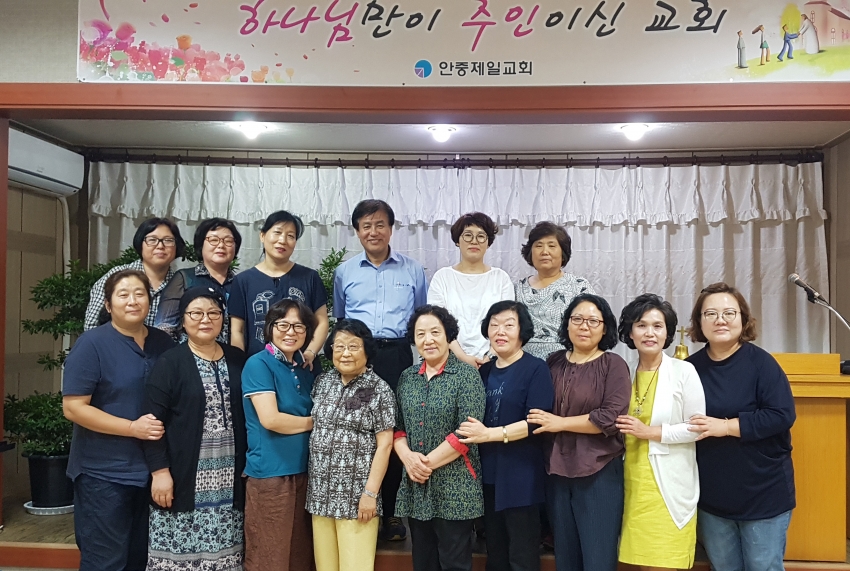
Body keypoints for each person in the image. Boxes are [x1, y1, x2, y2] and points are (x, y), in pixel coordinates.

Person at [63, 269, 176, 571]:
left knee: (141, 559)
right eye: (123, 295)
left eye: (140, 294)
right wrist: (132, 428)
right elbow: (73, 408)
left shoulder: (163, 343)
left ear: (150, 301)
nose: (132, 301)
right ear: (108, 305)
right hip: (103, 474)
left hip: (150, 473)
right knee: (106, 562)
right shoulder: (92, 344)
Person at [333, 199, 428, 541]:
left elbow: (421, 320)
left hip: (397, 354)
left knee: (393, 430)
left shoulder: (412, 270)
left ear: (391, 228)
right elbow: (341, 319)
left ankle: (391, 514)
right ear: (357, 231)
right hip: (357, 356)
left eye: (380, 225)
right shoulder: (345, 272)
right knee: (358, 431)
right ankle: (357, 505)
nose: (373, 232)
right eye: (366, 226)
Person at [686, 283, 796, 571]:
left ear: (743, 319)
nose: (720, 320)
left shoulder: (762, 363)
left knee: (763, 566)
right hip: (712, 494)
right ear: (699, 322)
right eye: (710, 313)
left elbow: (782, 415)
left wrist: (726, 427)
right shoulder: (689, 369)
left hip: (762, 491)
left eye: (729, 313)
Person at [144, 286, 248, 570]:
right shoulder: (170, 363)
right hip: (184, 471)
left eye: (214, 313)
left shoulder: (238, 359)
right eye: (196, 313)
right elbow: (151, 422)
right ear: (183, 319)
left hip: (229, 473)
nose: (206, 319)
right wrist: (160, 472)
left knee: (226, 549)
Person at [527, 293, 630, 571]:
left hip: (599, 472)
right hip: (555, 472)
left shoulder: (613, 364)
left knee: (598, 558)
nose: (584, 326)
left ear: (605, 328)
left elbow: (610, 417)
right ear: (567, 324)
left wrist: (560, 423)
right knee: (565, 556)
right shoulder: (553, 362)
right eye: (577, 319)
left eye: (593, 321)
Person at [457, 301, 554, 571]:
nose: (500, 331)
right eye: (494, 325)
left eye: (509, 325)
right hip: (488, 474)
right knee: (495, 553)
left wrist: (489, 434)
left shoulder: (536, 369)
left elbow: (536, 422)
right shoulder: (484, 371)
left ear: (522, 331)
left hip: (521, 474)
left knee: (522, 555)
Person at [615, 294, 705, 570]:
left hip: (668, 487)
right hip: (631, 484)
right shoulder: (623, 372)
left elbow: (697, 427)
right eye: (641, 325)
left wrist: (651, 432)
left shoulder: (683, 371)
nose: (649, 333)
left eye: (657, 326)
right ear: (630, 332)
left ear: (667, 333)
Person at [394, 305, 485, 571]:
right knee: (423, 561)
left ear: (448, 335)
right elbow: (398, 428)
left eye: (435, 332)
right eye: (420, 334)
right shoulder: (407, 377)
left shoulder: (467, 376)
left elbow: (466, 431)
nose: (428, 340)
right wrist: (408, 459)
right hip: (417, 484)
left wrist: (423, 464)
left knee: (454, 563)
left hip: (455, 485)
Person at [307, 319, 396, 571]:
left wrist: (370, 494)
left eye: (353, 346)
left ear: (367, 350)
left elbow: (385, 445)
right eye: (339, 346)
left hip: (357, 497)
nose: (345, 353)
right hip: (320, 495)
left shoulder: (379, 389)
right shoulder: (323, 382)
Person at [241, 299, 318, 571]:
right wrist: (318, 423)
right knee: (269, 557)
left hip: (305, 472)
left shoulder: (304, 368)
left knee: (300, 556)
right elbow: (271, 419)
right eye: (283, 325)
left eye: (298, 326)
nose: (290, 332)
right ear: (270, 328)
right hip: (270, 475)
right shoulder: (258, 364)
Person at [229, 210, 328, 361]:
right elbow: (237, 330)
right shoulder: (243, 281)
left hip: (301, 364)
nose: (283, 240)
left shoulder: (310, 278)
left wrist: (310, 352)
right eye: (277, 232)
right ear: (262, 235)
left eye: (291, 236)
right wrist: (240, 364)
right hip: (258, 365)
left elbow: (321, 322)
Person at [428, 212, 514, 368]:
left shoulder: (501, 278)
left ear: (488, 243)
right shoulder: (442, 277)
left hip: (494, 360)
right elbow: (437, 323)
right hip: (449, 360)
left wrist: (489, 356)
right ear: (457, 241)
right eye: (468, 235)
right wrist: (463, 357)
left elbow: (507, 322)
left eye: (481, 236)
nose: (474, 241)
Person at [84, 218, 186, 331]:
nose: (160, 246)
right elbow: (91, 326)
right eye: (152, 240)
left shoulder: (181, 283)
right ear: (140, 243)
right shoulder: (117, 277)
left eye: (168, 240)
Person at [514, 221, 595, 361]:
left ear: (563, 253)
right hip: (523, 361)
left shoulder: (579, 286)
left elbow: (593, 326)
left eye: (551, 246)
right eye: (538, 245)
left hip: (568, 360)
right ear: (530, 252)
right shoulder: (517, 288)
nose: (544, 251)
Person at [156, 218, 242, 343]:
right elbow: (164, 329)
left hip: (232, 354)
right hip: (190, 353)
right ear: (201, 245)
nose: (221, 245)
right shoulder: (184, 278)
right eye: (213, 240)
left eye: (228, 241)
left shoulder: (240, 283)